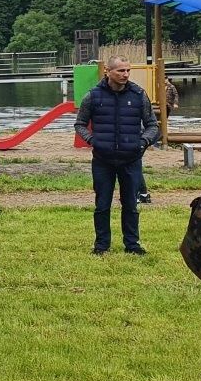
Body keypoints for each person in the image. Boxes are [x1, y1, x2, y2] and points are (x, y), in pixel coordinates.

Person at [74, 56, 158, 255]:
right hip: (103, 160)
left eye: (128, 70)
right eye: (120, 71)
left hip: (131, 159)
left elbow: (153, 125)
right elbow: (79, 124)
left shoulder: (139, 95)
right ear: (108, 72)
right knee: (102, 204)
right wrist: (94, 141)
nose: (125, 74)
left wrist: (143, 142)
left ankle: (132, 245)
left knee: (130, 204)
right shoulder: (93, 96)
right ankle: (101, 246)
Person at [138, 77, 180, 205]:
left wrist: (143, 141)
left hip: (140, 137)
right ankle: (142, 193)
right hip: (140, 137)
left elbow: (176, 95)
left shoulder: (170, 88)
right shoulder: (154, 89)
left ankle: (142, 193)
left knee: (133, 167)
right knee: (134, 167)